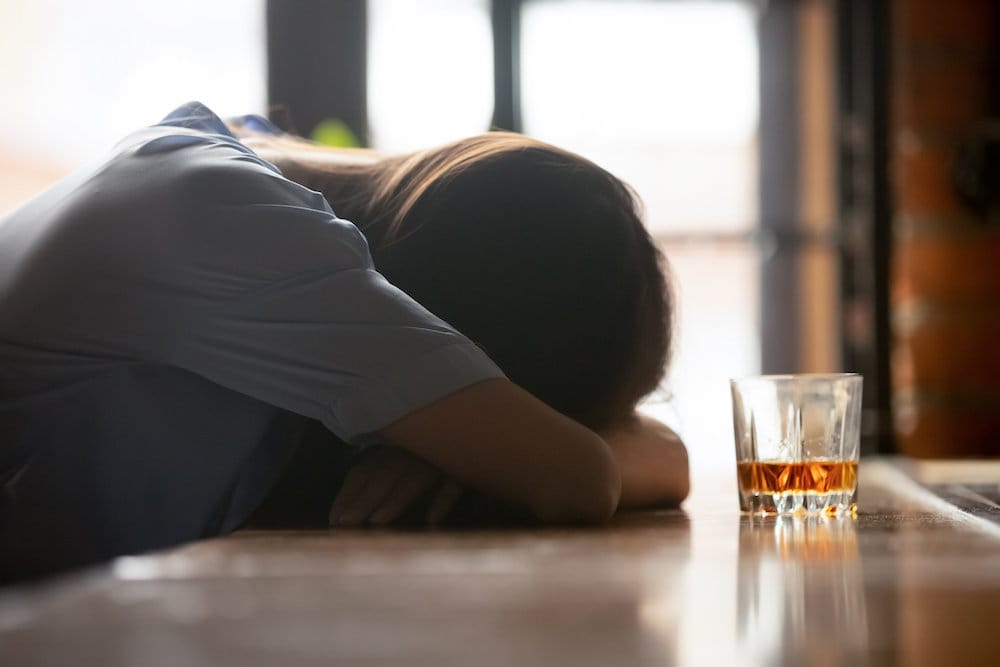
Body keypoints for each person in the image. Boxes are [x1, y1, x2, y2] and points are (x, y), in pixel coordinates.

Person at [0, 102, 688, 581]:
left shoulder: (223, 178)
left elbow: (667, 455)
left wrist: (476, 442)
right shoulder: (241, 227)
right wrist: (500, 451)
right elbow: (576, 478)